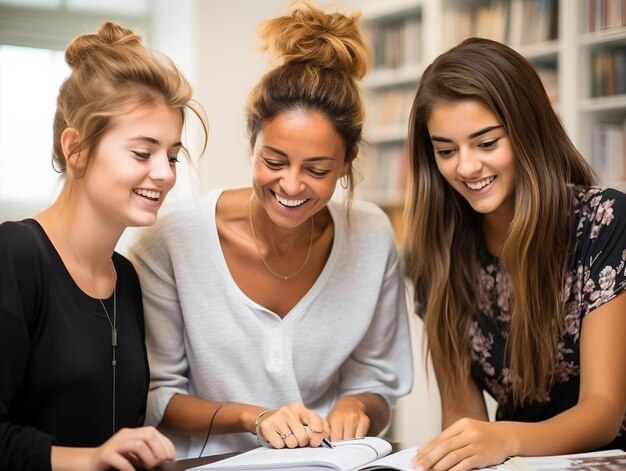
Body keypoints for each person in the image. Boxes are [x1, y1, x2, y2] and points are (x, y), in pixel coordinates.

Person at [129, 0, 413, 459]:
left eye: (317, 169)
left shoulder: (371, 236)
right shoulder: (171, 239)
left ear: (346, 164)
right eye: (274, 161)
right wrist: (253, 416)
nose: (292, 185)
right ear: (252, 143)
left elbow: (377, 382)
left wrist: (357, 405)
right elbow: (158, 395)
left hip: (326, 461)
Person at [404, 37, 626, 471]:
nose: (466, 168)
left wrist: (504, 438)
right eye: (446, 151)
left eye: (486, 144)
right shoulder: (436, 254)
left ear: (528, 131)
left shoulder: (605, 221)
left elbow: (604, 412)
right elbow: (464, 418)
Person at [0, 21, 208, 471]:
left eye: (171, 156)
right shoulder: (14, 255)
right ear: (76, 149)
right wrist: (89, 460)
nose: (166, 173)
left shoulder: (125, 277)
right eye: (142, 153)